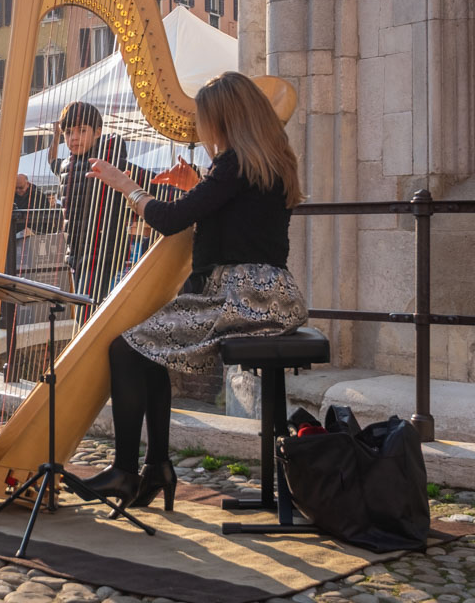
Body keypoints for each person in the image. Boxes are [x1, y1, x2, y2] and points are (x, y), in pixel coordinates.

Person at [75, 71, 307, 509]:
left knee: (126, 350)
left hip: (242, 296)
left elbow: (168, 220)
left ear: (224, 119)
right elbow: (232, 215)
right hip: (270, 293)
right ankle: (157, 466)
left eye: (205, 120)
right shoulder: (267, 159)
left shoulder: (234, 163)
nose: (202, 129)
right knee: (150, 350)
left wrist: (126, 186)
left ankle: (128, 471)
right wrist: (195, 187)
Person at [49, 101, 147, 309]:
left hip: (104, 253)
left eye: (82, 130)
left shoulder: (111, 164)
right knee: (87, 311)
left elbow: (148, 182)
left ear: (98, 132)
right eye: (68, 132)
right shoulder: (67, 166)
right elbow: (52, 163)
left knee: (87, 313)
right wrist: (55, 136)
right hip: (77, 252)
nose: (74, 137)